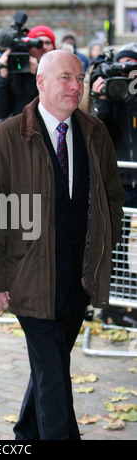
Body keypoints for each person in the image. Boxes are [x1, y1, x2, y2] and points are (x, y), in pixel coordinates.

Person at [0, 50, 126, 440]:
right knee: (55, 375)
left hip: (78, 275)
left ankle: (26, 431)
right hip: (29, 278)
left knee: (52, 365)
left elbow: (111, 198)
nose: (76, 86)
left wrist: (107, 247)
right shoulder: (8, 136)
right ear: (40, 83)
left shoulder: (94, 131)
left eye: (80, 77)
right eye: (64, 78)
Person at [90, 42, 137, 324]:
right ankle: (114, 307)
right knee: (116, 243)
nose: (127, 73)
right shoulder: (109, 94)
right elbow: (95, 132)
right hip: (118, 181)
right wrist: (102, 100)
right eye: (123, 66)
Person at [0, 25, 56, 120]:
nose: (43, 47)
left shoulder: (60, 71)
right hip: (20, 130)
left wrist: (36, 75)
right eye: (38, 43)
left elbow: (54, 106)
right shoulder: (16, 70)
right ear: (29, 47)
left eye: (48, 43)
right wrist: (2, 77)